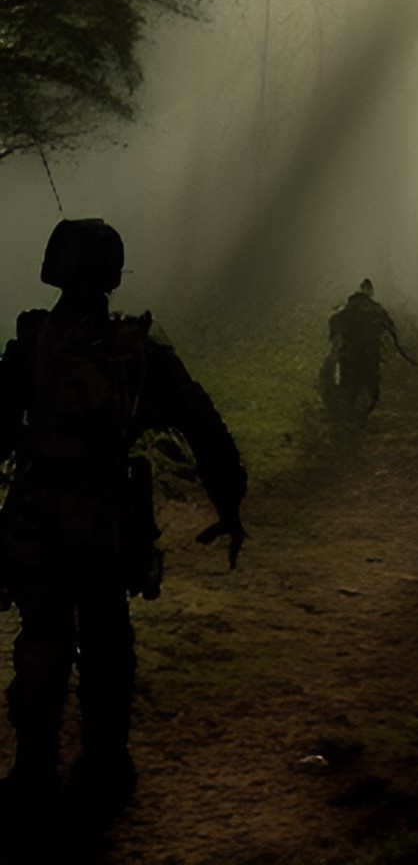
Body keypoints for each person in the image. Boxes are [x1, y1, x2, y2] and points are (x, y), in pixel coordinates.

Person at [0, 217, 247, 834]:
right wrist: (230, 507)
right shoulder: (140, 351)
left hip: (39, 521)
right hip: (107, 525)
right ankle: (105, 766)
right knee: (108, 642)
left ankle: (34, 772)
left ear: (54, 268)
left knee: (42, 644)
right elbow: (204, 428)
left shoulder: (31, 345)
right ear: (112, 274)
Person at [319, 279, 418, 416]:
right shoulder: (377, 309)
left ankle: (346, 417)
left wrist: (334, 336)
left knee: (346, 389)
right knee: (371, 390)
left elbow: (334, 324)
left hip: (351, 357)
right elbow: (391, 329)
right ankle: (359, 417)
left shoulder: (349, 309)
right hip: (371, 358)